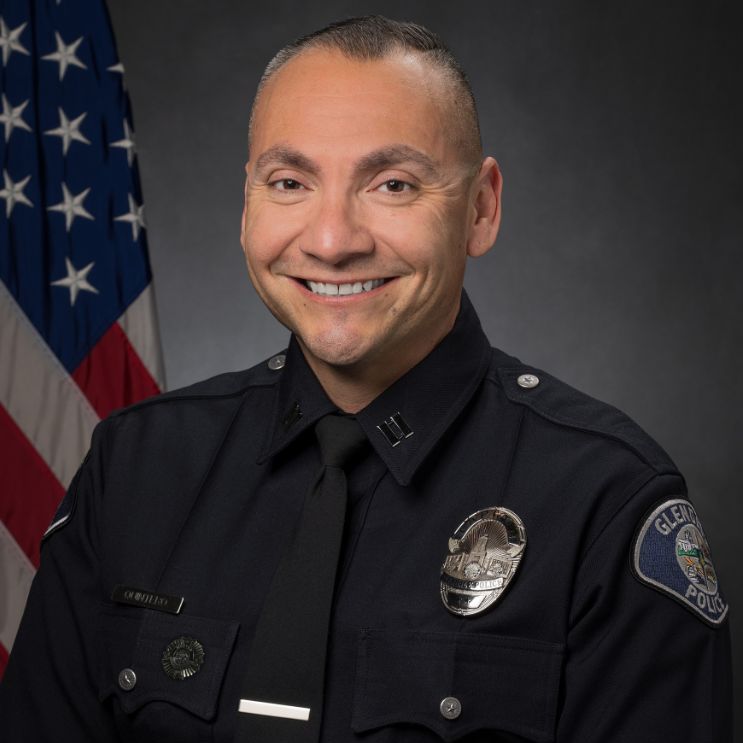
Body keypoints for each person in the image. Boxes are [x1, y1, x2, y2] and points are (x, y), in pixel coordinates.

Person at [0, 15, 732, 742]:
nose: (331, 241)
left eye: (392, 184)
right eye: (290, 182)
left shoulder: (605, 501)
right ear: (248, 201)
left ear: (481, 208)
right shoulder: (135, 467)